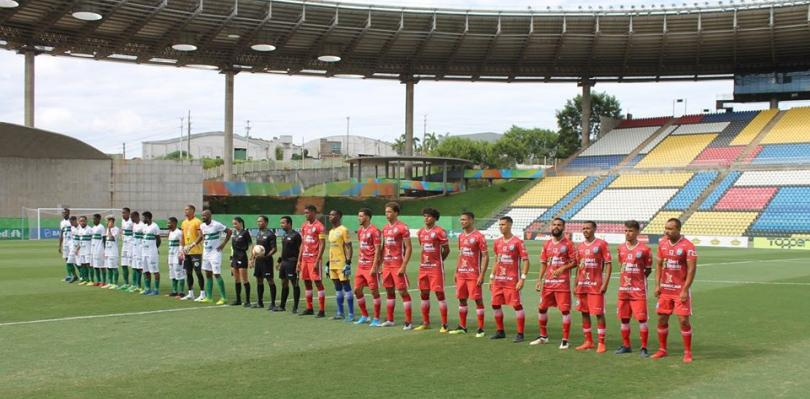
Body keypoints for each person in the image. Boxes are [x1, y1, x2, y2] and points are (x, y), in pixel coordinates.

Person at [652, 218, 697, 363]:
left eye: (670, 229)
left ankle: (688, 352)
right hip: (665, 290)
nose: (667, 231)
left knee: (683, 320)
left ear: (678, 230)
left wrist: (685, 289)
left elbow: (691, 270)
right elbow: (658, 265)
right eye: (666, 228)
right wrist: (657, 285)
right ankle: (662, 349)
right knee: (661, 318)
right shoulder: (662, 243)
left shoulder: (688, 246)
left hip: (679, 291)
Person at [532, 218, 576, 349]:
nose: (556, 227)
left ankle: (565, 340)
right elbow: (544, 264)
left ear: (563, 227)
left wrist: (562, 268)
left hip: (562, 284)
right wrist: (539, 280)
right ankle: (543, 336)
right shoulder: (546, 244)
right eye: (554, 225)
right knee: (541, 308)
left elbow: (574, 262)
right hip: (548, 283)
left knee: (564, 311)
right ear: (551, 227)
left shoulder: (568, 244)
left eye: (559, 225)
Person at [614, 220, 653, 357]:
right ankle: (626, 345)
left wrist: (638, 280)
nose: (627, 233)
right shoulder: (621, 248)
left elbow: (648, 270)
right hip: (623, 290)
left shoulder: (645, 249)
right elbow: (622, 265)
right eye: (626, 230)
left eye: (630, 231)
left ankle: (644, 348)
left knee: (642, 319)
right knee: (624, 318)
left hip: (638, 290)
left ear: (637, 232)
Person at [574, 221, 612, 353]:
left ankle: (601, 342)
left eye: (588, 228)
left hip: (596, 286)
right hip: (582, 285)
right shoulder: (579, 247)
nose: (585, 230)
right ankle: (588, 341)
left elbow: (608, 264)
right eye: (583, 228)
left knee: (598, 313)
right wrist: (575, 284)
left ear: (594, 229)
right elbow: (579, 267)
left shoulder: (601, 244)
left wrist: (605, 283)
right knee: (584, 312)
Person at [489, 216, 529, 342]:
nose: (501, 227)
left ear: (510, 225)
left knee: (516, 305)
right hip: (498, 280)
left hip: (512, 281)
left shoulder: (517, 242)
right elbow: (497, 260)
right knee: (495, 305)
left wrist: (522, 278)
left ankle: (520, 333)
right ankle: (500, 331)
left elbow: (526, 261)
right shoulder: (497, 242)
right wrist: (491, 277)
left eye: (503, 224)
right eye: (500, 225)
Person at [449, 212, 489, 337]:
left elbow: (485, 256)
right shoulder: (461, 236)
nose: (462, 222)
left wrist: (482, 274)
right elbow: (460, 254)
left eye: (464, 220)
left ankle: (481, 328)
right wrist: (456, 271)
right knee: (461, 299)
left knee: (477, 300)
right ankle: (462, 326)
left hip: (473, 274)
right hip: (461, 273)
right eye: (461, 220)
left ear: (471, 220)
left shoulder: (479, 236)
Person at [415, 208, 450, 332]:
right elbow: (422, 247)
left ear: (434, 218)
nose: (426, 218)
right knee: (424, 294)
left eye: (429, 216)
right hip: (423, 268)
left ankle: (444, 324)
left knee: (439, 294)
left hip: (435, 269)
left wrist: (438, 262)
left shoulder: (440, 232)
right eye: (425, 216)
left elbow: (446, 249)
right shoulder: (420, 232)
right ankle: (426, 322)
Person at [381, 202, 414, 329]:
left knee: (402, 291)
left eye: (389, 212)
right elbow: (383, 247)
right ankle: (390, 319)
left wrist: (404, 266)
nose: (387, 214)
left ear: (396, 213)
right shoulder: (384, 228)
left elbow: (409, 248)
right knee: (389, 291)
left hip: (397, 264)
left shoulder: (402, 227)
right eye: (386, 212)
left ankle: (408, 321)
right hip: (386, 265)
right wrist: (380, 264)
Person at [193, 210, 231, 305]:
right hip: (206, 252)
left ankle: (223, 297)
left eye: (205, 216)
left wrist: (223, 244)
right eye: (202, 216)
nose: (203, 217)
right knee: (208, 274)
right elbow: (201, 237)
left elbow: (229, 232)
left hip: (215, 253)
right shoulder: (202, 226)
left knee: (216, 274)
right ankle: (209, 297)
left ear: (210, 216)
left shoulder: (216, 225)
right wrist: (192, 245)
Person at [353, 208, 383, 326]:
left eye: (361, 216)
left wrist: (375, 266)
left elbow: (377, 250)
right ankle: (365, 315)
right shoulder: (360, 231)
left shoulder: (375, 231)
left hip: (370, 265)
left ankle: (376, 319)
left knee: (374, 291)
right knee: (357, 290)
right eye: (358, 215)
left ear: (367, 217)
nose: (358, 218)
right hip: (361, 265)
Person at [297, 205, 326, 317]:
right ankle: (309, 308)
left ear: (314, 212)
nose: (306, 214)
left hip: (314, 259)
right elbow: (303, 243)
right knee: (306, 281)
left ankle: (322, 310)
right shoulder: (304, 226)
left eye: (308, 212)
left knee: (318, 282)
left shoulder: (319, 226)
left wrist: (317, 260)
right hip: (305, 259)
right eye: (305, 212)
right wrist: (299, 260)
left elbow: (322, 244)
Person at [327, 209, 354, 321]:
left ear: (339, 216)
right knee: (337, 289)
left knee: (346, 287)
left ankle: (351, 314)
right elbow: (333, 248)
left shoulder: (343, 230)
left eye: (333, 215)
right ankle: (340, 313)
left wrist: (348, 262)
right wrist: (328, 263)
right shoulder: (331, 231)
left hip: (342, 263)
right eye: (330, 215)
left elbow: (349, 246)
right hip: (333, 264)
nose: (330, 216)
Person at [251, 216, 277, 310]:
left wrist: (266, 256)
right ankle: (260, 302)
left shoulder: (270, 234)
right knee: (259, 280)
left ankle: (273, 303)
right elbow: (256, 248)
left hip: (267, 261)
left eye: (260, 221)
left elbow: (274, 249)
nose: (258, 223)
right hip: (258, 261)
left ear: (266, 222)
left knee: (270, 280)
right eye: (258, 221)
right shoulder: (258, 233)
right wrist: (252, 259)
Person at [180, 205, 206, 301]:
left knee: (198, 272)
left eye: (187, 209)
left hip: (196, 251)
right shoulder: (183, 223)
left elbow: (201, 236)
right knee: (188, 272)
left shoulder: (197, 222)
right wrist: (181, 248)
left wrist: (192, 245)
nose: (185, 211)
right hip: (187, 252)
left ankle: (202, 293)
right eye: (185, 209)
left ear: (193, 211)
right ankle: (190, 293)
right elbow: (182, 236)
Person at [277, 216, 302, 313]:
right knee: (284, 283)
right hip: (284, 262)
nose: (281, 225)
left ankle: (295, 307)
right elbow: (284, 250)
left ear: (289, 223)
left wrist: (299, 262)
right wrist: (279, 261)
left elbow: (301, 249)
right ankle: (282, 306)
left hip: (292, 262)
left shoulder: (296, 235)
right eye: (281, 223)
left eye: (283, 223)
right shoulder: (284, 235)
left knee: (294, 283)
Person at [230, 216, 252, 307]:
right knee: (236, 279)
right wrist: (230, 259)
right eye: (233, 224)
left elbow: (251, 245)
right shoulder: (234, 233)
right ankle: (238, 299)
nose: (234, 225)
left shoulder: (245, 232)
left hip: (242, 257)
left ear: (240, 223)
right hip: (234, 258)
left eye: (235, 223)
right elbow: (232, 248)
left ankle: (247, 301)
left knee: (244, 279)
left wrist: (251, 259)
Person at [141, 211, 162, 296]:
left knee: (155, 271)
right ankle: (147, 288)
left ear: (148, 218)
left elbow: (158, 240)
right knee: (146, 271)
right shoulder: (144, 227)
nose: (143, 219)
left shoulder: (155, 226)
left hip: (152, 252)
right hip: (144, 252)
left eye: (144, 218)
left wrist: (155, 248)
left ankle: (156, 289)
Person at [167, 217, 186, 298]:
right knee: (172, 273)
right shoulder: (171, 232)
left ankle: (181, 292)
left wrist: (181, 255)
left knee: (179, 273)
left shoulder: (179, 232)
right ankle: (174, 291)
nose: (168, 225)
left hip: (177, 256)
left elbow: (182, 244)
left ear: (174, 223)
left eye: (169, 223)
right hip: (171, 256)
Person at [58, 208, 77, 282]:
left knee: (74, 260)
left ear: (69, 213)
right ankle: (70, 275)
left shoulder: (71, 221)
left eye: (65, 212)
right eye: (63, 213)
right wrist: (59, 245)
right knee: (66, 259)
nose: (64, 214)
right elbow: (61, 234)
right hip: (65, 243)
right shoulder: (62, 222)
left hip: (72, 243)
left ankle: (81, 276)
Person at [128, 211, 144, 293]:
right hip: (134, 249)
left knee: (139, 267)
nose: (131, 219)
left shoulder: (142, 225)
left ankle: (139, 285)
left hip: (140, 249)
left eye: (132, 217)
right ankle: (134, 285)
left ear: (137, 216)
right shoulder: (134, 225)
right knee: (134, 266)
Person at [118, 208, 133, 290]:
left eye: (124, 213)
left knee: (133, 265)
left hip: (131, 246)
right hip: (124, 245)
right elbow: (122, 230)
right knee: (123, 264)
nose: (122, 214)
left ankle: (134, 284)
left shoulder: (132, 222)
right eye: (122, 213)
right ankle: (126, 283)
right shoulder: (123, 221)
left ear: (128, 213)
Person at [103, 216, 120, 289]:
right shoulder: (107, 229)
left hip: (113, 252)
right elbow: (106, 240)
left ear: (112, 222)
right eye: (107, 221)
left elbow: (112, 238)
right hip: (108, 251)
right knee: (108, 267)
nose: (107, 223)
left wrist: (109, 229)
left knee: (114, 268)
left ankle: (115, 283)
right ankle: (110, 283)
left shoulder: (116, 229)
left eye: (109, 221)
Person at [75, 216, 92, 285]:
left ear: (86, 221)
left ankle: (91, 280)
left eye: (83, 221)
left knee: (88, 265)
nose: (82, 222)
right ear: (79, 222)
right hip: (82, 250)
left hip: (88, 250)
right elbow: (80, 241)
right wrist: (77, 249)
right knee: (82, 264)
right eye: (81, 221)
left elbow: (93, 240)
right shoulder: (79, 230)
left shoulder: (89, 229)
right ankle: (85, 279)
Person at [91, 214, 106, 287]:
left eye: (94, 219)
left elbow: (104, 239)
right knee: (95, 266)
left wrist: (105, 249)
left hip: (100, 249)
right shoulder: (93, 227)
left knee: (102, 266)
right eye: (93, 219)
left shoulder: (101, 227)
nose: (93, 220)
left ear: (98, 219)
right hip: (94, 249)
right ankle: (98, 281)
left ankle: (104, 281)